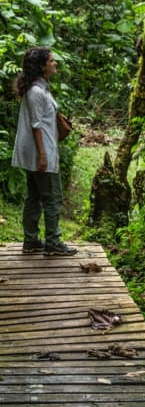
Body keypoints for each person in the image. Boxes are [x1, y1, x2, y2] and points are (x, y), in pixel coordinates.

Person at [11, 46, 77, 256]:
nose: (55, 63)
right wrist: (42, 155)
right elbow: (36, 125)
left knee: (33, 196)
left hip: (39, 151)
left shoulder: (39, 89)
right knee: (52, 197)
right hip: (42, 152)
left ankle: (31, 241)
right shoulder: (36, 92)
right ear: (41, 66)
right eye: (51, 61)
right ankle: (53, 243)